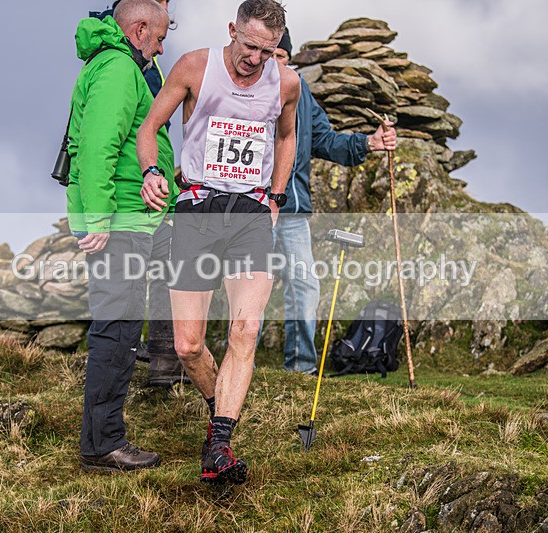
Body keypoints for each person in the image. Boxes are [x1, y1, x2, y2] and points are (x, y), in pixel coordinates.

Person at [136, 0, 300, 485]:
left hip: (249, 214)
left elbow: (287, 137)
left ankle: (220, 446)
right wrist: (150, 172)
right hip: (197, 210)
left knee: (244, 332)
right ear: (233, 30)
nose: (255, 59)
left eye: (267, 51)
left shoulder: (286, 83)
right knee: (188, 346)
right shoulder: (194, 67)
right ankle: (218, 406)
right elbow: (150, 128)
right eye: (249, 46)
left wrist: (275, 194)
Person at [66, 0, 177, 473]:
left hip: (132, 218)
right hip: (119, 222)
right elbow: (96, 148)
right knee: (116, 332)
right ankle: (102, 445)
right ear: (137, 30)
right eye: (159, 36)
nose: (162, 44)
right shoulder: (117, 68)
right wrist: (97, 219)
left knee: (122, 329)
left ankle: (104, 439)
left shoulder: (122, 65)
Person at [270, 29, 397, 374]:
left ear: (290, 58)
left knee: (305, 286)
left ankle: (301, 367)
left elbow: (325, 139)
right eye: (270, 55)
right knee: (247, 288)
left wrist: (369, 143)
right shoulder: (247, 88)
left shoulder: (300, 91)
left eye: (282, 57)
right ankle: (239, 365)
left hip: (293, 210)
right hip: (255, 210)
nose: (275, 64)